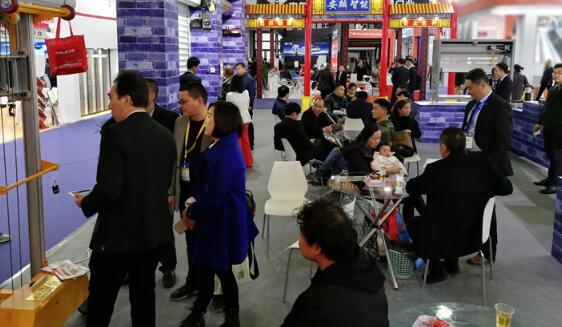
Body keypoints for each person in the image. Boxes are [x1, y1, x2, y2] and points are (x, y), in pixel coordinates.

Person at [75, 70, 176, 327]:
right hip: (151, 234)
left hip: (117, 238)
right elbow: (160, 183)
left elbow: (110, 189)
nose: (109, 103)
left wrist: (86, 202)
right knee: (144, 300)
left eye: (111, 97)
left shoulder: (114, 134)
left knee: (100, 303)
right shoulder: (165, 134)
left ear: (127, 99)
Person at [180, 102, 258, 327]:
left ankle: (224, 317)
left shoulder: (226, 153)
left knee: (219, 269)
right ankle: (203, 313)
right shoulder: (222, 146)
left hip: (219, 222)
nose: (206, 120)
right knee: (211, 268)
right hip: (216, 220)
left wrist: (191, 211)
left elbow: (213, 196)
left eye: (211, 116)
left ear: (223, 122)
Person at [405, 128, 512, 283]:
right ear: (465, 144)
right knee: (455, 212)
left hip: (443, 235)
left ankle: (436, 269)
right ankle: (451, 264)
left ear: (443, 147)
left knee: (415, 223)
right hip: (476, 233)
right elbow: (507, 188)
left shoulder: (435, 169)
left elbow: (411, 188)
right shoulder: (484, 162)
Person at [281, 199, 389, 327]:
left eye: (302, 233)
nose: (299, 239)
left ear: (317, 248)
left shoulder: (316, 305)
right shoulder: (368, 267)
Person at [462, 68, 513, 266]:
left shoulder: (500, 106)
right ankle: (473, 245)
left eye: (471, 88)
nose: (469, 92)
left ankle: (487, 252)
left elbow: (503, 140)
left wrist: (489, 166)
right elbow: (466, 129)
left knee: (486, 209)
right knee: (471, 206)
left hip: (487, 164)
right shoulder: (471, 105)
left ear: (482, 85)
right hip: (470, 160)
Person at [169, 82, 212, 302]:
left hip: (207, 192)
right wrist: (171, 191)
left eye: (184, 101)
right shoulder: (180, 123)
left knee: (210, 240)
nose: (180, 105)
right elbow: (174, 160)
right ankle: (193, 282)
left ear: (199, 100)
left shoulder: (214, 124)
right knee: (190, 238)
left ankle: (215, 289)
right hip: (184, 188)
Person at [145, 78, 179, 288]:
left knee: (164, 230)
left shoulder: (169, 118)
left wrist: (171, 189)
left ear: (152, 95)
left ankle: (168, 267)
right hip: (140, 186)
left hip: (163, 184)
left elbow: (174, 155)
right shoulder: (128, 119)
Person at [533, 63, 562, 194]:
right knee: (550, 154)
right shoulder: (553, 89)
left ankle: (555, 184)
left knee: (558, 157)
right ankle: (550, 179)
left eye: (560, 73)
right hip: (549, 128)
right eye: (555, 73)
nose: (556, 75)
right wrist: (540, 122)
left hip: (559, 130)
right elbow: (546, 107)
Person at [226, 75, 253, 168]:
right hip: (246, 119)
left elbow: (229, 109)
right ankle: (248, 161)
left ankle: (239, 162)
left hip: (235, 120)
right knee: (245, 140)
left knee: (237, 142)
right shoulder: (246, 92)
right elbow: (247, 105)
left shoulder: (229, 95)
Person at [235, 62, 257, 150]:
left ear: (244, 68)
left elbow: (252, 93)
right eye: (237, 69)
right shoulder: (237, 78)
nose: (238, 70)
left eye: (239, 68)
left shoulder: (250, 79)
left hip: (247, 106)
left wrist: (250, 105)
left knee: (249, 124)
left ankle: (251, 143)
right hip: (239, 105)